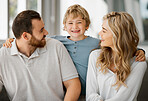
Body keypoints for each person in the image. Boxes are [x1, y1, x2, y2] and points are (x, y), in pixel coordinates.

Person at [3, 4, 146, 101]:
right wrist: (13, 41)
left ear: (87, 25)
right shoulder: (57, 41)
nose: (74, 27)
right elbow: (25, 39)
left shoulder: (96, 44)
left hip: (83, 93)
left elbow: (120, 47)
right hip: (83, 94)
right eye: (70, 23)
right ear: (64, 26)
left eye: (79, 23)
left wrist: (138, 51)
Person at [0, 10, 81, 101]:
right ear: (26, 36)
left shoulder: (56, 47)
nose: (46, 33)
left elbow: (73, 85)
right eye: (41, 30)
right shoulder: (2, 56)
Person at [86, 11, 147, 101]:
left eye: (104, 30)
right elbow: (90, 95)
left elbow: (124, 99)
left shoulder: (138, 63)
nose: (100, 33)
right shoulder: (95, 56)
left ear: (117, 35)